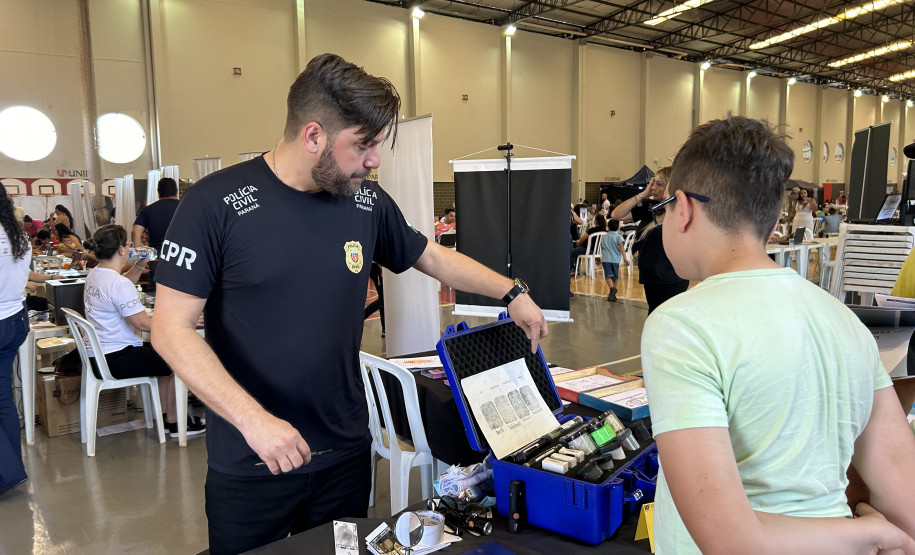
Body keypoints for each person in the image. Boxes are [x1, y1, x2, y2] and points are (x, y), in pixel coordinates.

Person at [150, 53, 548, 555]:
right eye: (363, 145)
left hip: (344, 450)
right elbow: (171, 329)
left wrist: (512, 293)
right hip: (255, 458)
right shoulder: (215, 204)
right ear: (313, 135)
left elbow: (430, 255)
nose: (375, 159)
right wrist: (254, 421)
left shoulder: (365, 202)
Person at [641, 115, 915, 554]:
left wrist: (870, 533)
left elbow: (729, 541)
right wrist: (866, 533)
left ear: (684, 208)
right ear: (769, 224)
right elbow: (904, 491)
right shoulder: (842, 320)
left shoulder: (681, 325)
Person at [81, 225, 204, 438]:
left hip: (99, 354)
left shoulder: (96, 274)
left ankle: (167, 416)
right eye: (128, 245)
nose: (130, 247)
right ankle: (176, 423)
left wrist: (138, 266)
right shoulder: (116, 283)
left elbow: (121, 287)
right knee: (178, 358)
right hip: (117, 358)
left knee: (162, 355)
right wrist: (183, 320)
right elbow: (142, 324)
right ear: (121, 249)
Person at [0, 186, 54, 496]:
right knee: (3, 397)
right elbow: (23, 276)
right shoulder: (18, 235)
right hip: (15, 320)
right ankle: (13, 469)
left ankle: (7, 472)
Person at [613, 167, 688, 313]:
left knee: (663, 318)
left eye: (658, 184)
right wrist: (643, 194)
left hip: (669, 276)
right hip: (651, 276)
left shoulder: (677, 209)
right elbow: (617, 214)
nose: (653, 187)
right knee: (655, 314)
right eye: (652, 183)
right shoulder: (651, 207)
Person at [132, 177, 180, 288]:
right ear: (176, 192)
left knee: (155, 296)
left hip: (157, 260)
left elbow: (135, 232)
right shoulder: (185, 207)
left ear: (158, 192)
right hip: (182, 259)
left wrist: (142, 257)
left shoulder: (148, 210)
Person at [600, 219, 628, 302]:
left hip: (606, 259)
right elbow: (622, 248)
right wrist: (625, 259)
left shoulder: (603, 237)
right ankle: (613, 292)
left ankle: (612, 291)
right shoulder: (619, 236)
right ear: (618, 227)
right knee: (615, 277)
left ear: (608, 227)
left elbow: (602, 248)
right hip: (615, 260)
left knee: (608, 275)